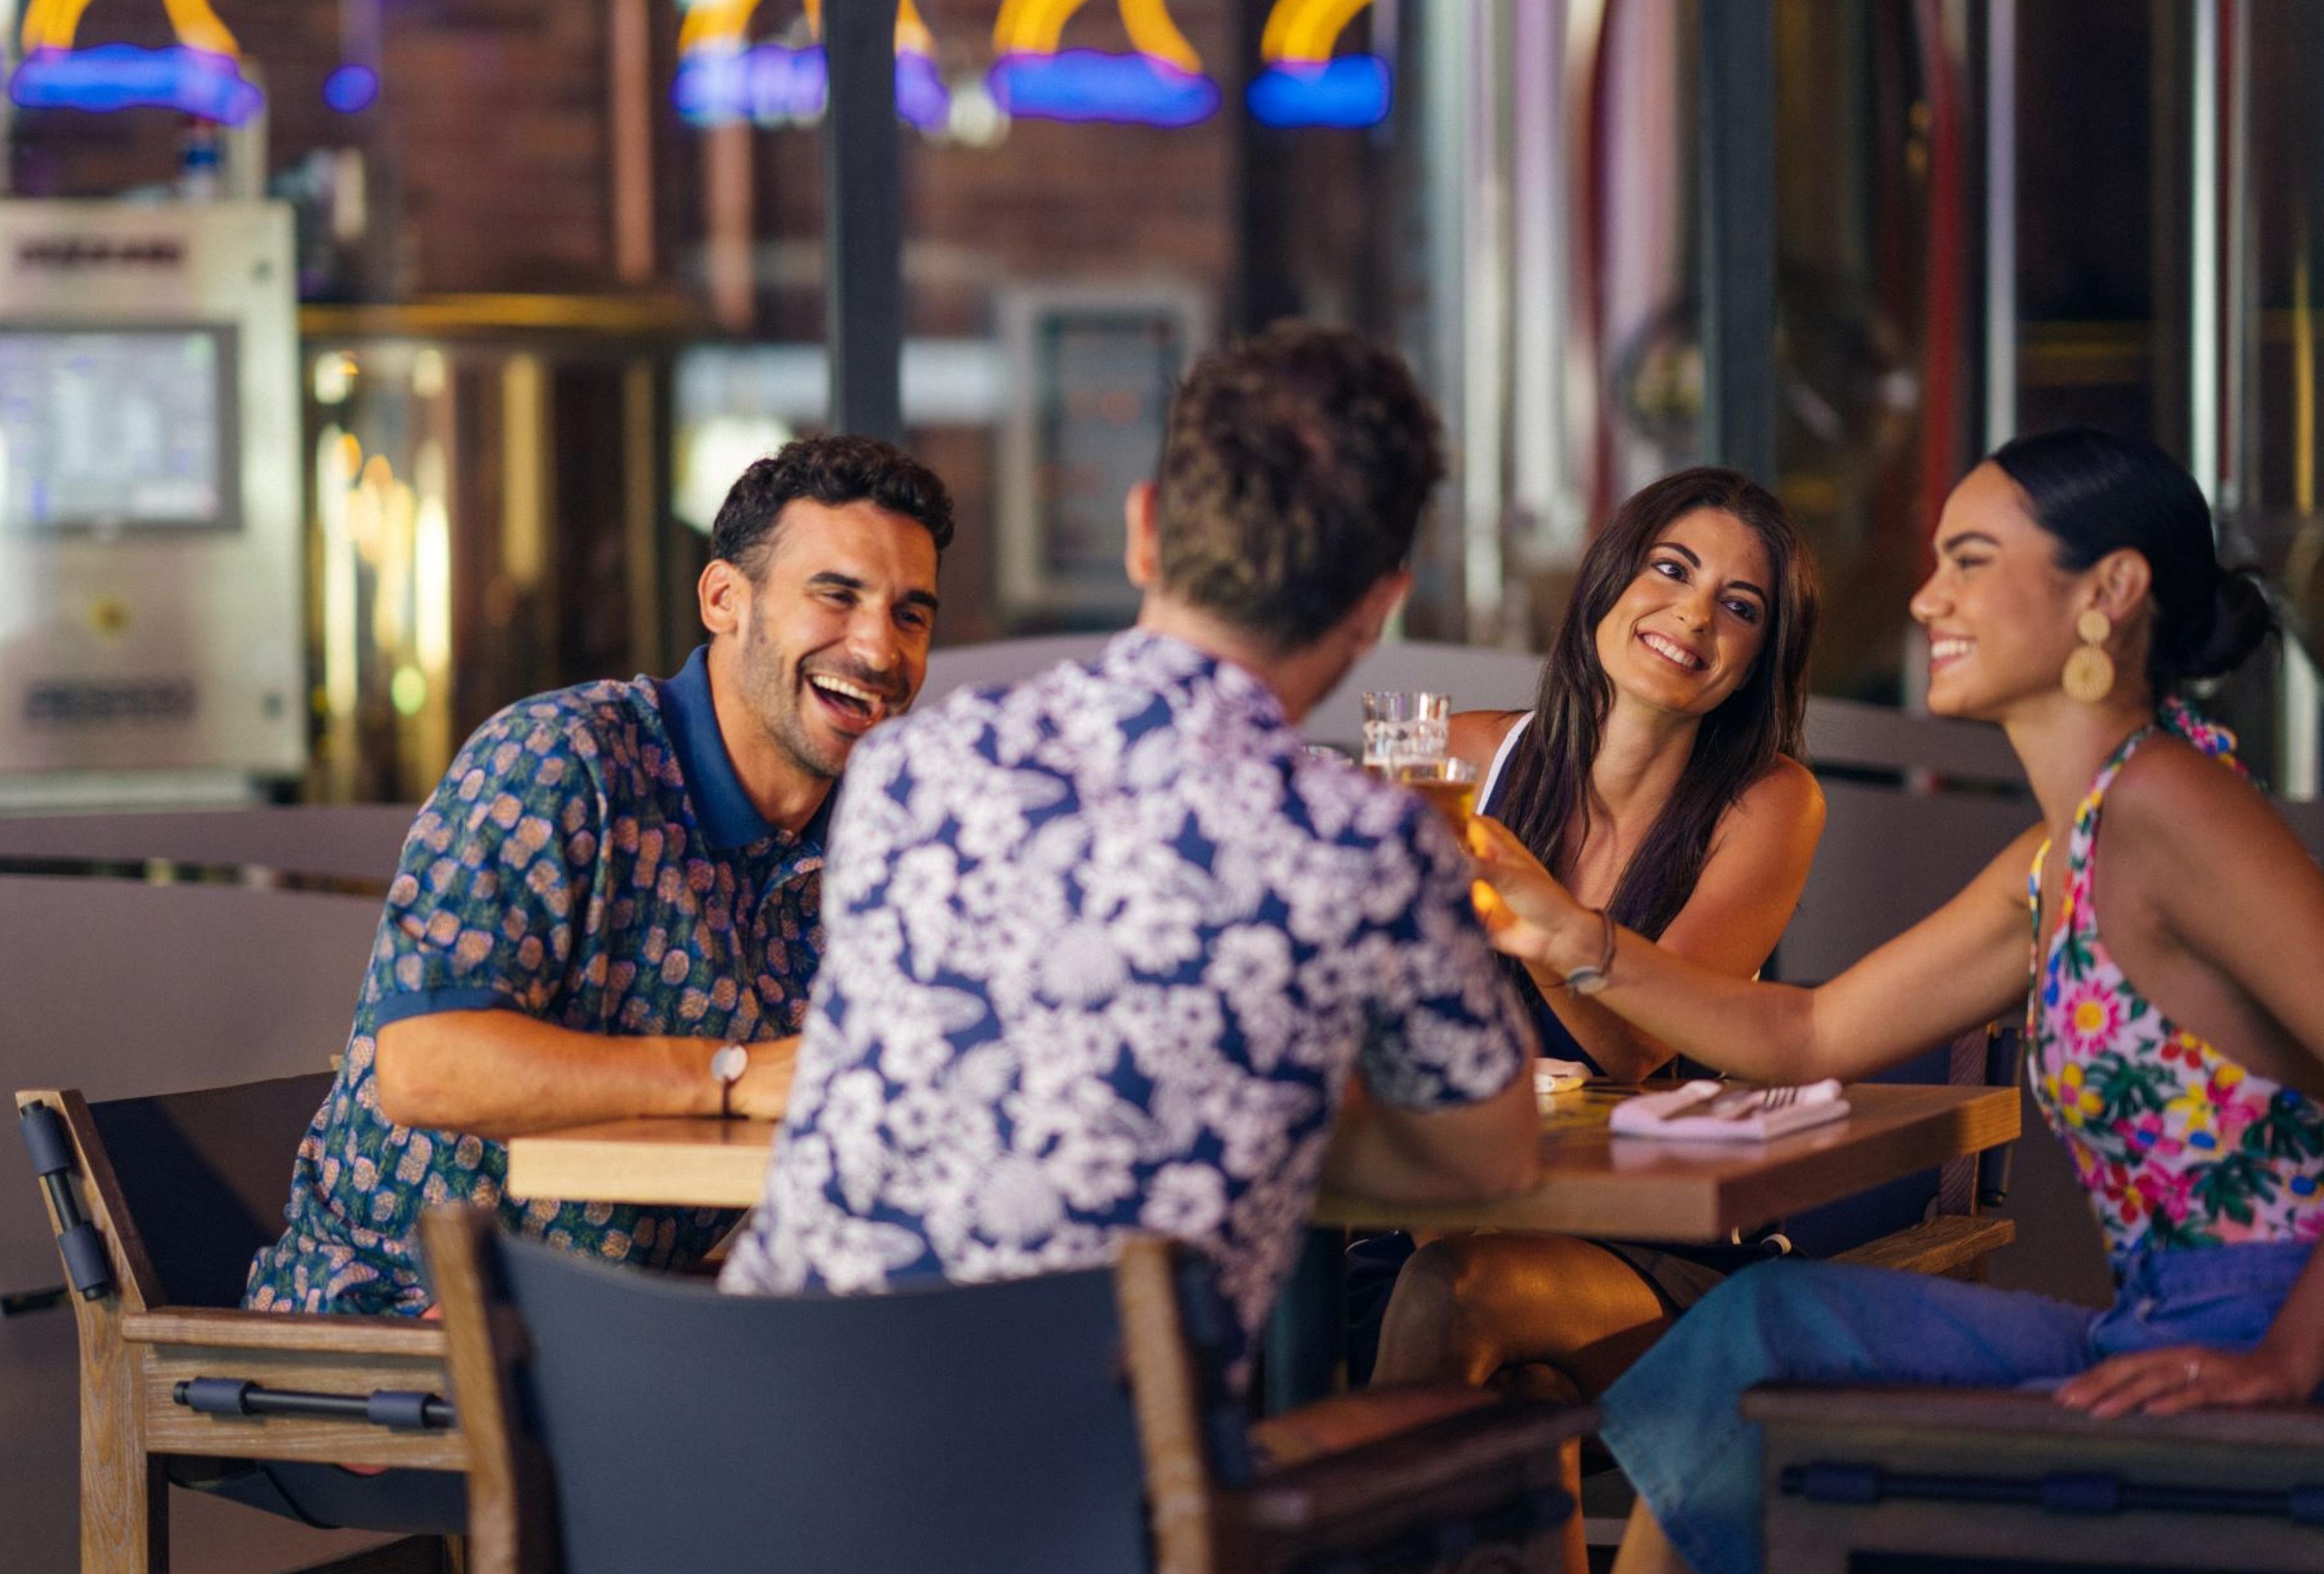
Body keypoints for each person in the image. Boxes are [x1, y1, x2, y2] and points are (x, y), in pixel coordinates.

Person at [1468, 426, 2321, 1574]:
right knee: (1762, 1331)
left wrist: (2285, 1362)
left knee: (1755, 1348)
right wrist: (1572, 935)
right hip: (2158, 1319)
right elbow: (1809, 1032)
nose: (1926, 601)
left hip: (2252, 1332)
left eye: (1970, 560)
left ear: (2108, 594)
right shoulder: (2066, 849)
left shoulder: (2174, 804)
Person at [721, 321, 1541, 1362]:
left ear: (1143, 530)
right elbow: (1494, 1156)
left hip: (763, 1446)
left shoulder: (913, 767)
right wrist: (1251, 1099)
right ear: (1381, 604)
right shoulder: (1363, 841)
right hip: (1082, 1495)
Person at [245, 434, 952, 1316]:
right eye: (836, 597)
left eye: (911, 615)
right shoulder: (560, 761)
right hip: (399, 1326)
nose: (881, 650)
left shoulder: (879, 834)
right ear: (725, 599)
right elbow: (424, 1066)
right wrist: (730, 1077)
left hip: (625, 1327)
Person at [1353, 469, 1823, 1574]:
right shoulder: (1459, 757)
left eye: (1740, 606)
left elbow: (1634, 1047)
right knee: (1509, 1394)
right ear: (1612, 580)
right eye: (1672, 569)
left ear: (1758, 656)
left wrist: (1544, 917)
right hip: (1435, 1216)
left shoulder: (1768, 802)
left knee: (1457, 1292)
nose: (1694, 616)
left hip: (1654, 1251)